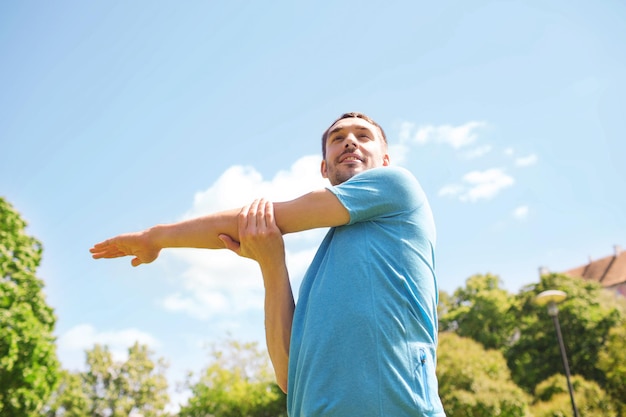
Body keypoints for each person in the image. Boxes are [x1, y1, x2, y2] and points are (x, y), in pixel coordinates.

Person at [90, 112, 446, 416]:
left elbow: (260, 220)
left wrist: (157, 237)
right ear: (324, 167)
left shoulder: (397, 186)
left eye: (363, 135)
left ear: (385, 160)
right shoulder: (319, 276)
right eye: (338, 138)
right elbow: (289, 378)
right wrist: (272, 263)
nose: (350, 141)